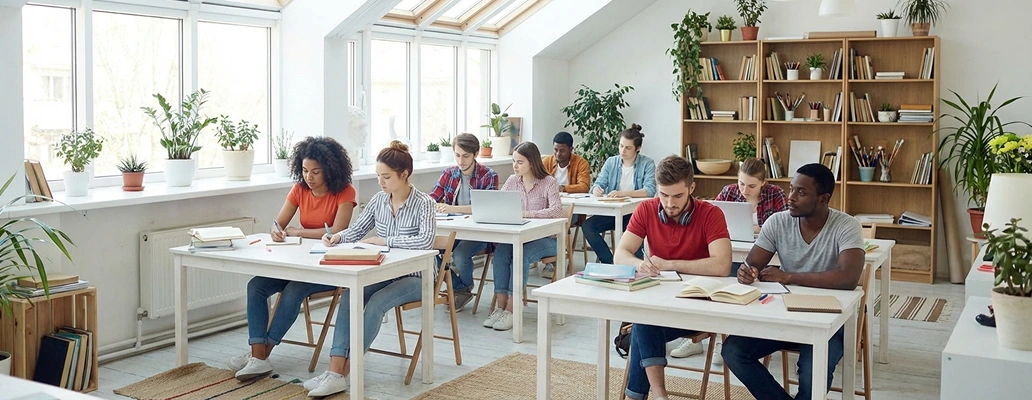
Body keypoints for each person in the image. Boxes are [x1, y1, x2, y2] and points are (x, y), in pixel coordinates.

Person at [304, 140, 437, 397]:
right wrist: (337, 238)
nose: (381, 182)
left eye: (386, 176)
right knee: (349, 297)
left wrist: (384, 240)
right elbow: (357, 230)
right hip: (384, 273)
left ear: (404, 175)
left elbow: (426, 241)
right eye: (378, 176)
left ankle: (345, 371)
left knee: (376, 302)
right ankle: (334, 370)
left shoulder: (425, 203)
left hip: (416, 278)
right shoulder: (378, 200)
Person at [722, 163, 865, 400]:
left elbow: (848, 278)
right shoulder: (778, 222)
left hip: (833, 318)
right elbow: (752, 265)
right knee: (734, 351)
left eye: (801, 192)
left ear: (823, 198)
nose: (791, 197)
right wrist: (746, 273)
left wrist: (789, 277)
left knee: (811, 373)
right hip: (787, 313)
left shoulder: (846, 226)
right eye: (791, 189)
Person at [229, 136, 357, 380]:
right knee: (256, 285)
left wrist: (299, 232)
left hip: (328, 268)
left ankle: (261, 356)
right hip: (296, 263)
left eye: (316, 172)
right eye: (305, 170)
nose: (309, 177)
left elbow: (338, 232)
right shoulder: (299, 189)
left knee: (294, 290)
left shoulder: (345, 192)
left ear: (330, 170)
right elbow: (279, 222)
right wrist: (276, 230)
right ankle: (258, 355)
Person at [615, 155, 732, 400]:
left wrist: (669, 264)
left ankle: (645, 395)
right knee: (645, 319)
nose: (669, 203)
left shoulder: (711, 214)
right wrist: (640, 263)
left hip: (699, 308)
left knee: (642, 323)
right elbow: (621, 255)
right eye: (663, 195)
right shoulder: (646, 209)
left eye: (677, 196)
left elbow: (722, 266)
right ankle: (659, 396)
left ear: (691, 188)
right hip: (660, 305)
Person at [670, 157, 786, 361]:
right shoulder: (728, 192)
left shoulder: (776, 195)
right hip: (732, 246)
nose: (744, 190)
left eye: (751, 185)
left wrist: (758, 229)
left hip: (765, 255)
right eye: (741, 183)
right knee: (715, 279)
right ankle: (702, 337)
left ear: (763, 183)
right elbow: (710, 218)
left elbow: (784, 226)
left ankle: (726, 338)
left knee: (737, 279)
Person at [481, 142, 562, 331]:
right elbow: (499, 204)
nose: (515, 166)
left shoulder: (548, 182)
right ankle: (500, 308)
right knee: (501, 253)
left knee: (521, 255)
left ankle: (512, 309)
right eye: (513, 161)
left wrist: (528, 214)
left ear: (532, 163)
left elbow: (557, 210)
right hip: (519, 237)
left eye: (519, 162)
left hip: (547, 240)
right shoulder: (512, 181)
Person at [428, 133, 499, 310]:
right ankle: (461, 288)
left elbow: (485, 207)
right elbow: (433, 198)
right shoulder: (449, 173)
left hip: (479, 231)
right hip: (454, 228)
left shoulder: (489, 175)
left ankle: (463, 289)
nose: (461, 161)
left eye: (466, 156)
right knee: (429, 251)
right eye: (457, 155)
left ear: (475, 154)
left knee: (459, 254)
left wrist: (451, 208)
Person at [584, 124, 657, 265]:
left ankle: (636, 265)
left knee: (634, 233)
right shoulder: (611, 162)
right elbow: (597, 184)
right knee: (588, 226)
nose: (623, 151)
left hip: (634, 213)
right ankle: (610, 263)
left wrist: (622, 193)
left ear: (638, 148)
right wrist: (596, 190)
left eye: (628, 147)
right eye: (621, 146)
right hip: (613, 212)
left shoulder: (647, 163)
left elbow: (649, 191)